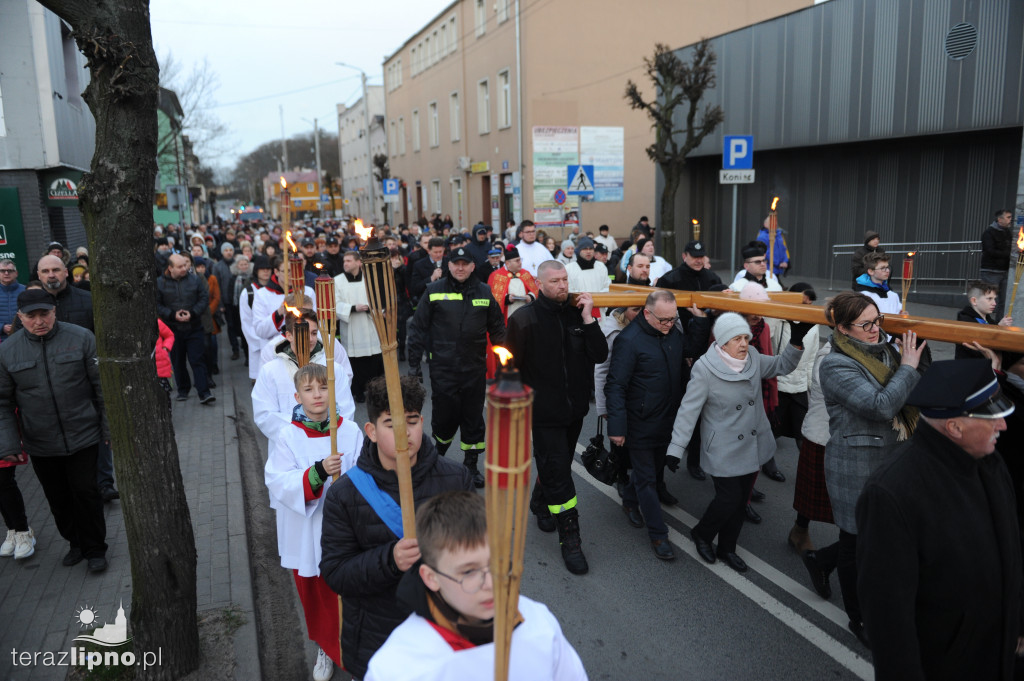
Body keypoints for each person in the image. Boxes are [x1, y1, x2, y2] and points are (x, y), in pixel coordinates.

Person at [856, 359, 1021, 681]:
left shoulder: (990, 461)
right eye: (992, 418)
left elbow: (1013, 546)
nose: (1003, 426)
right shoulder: (892, 493)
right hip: (948, 666)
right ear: (955, 427)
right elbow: (888, 618)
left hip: (1001, 653)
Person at [319, 375, 474, 680]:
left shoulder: (457, 480)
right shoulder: (345, 495)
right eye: (391, 424)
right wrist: (389, 560)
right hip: (379, 641)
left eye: (412, 420)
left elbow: (479, 555)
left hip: (444, 635)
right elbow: (336, 573)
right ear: (372, 431)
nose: (405, 431)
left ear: (422, 421)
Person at [800, 292, 928, 648]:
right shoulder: (835, 363)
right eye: (866, 325)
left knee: (870, 537)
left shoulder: (883, 350)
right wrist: (907, 366)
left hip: (892, 458)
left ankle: (820, 561)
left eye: (878, 321)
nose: (875, 330)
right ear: (842, 328)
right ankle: (858, 616)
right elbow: (881, 406)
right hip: (853, 464)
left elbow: (910, 391)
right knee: (857, 540)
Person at [365, 491, 588, 681]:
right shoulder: (396, 669)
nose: (491, 584)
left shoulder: (539, 624)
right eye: (469, 572)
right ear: (430, 577)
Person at [664, 312, 806, 572]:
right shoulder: (705, 368)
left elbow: (781, 366)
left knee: (741, 502)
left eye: (745, 338)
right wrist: (676, 448)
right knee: (729, 499)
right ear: (722, 341)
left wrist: (796, 340)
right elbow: (688, 410)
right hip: (724, 448)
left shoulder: (752, 357)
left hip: (751, 444)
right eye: (736, 339)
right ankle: (702, 534)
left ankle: (727, 548)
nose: (743, 344)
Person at [506, 261, 607, 574]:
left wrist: (589, 319)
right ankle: (570, 538)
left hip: (575, 410)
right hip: (542, 413)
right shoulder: (524, 320)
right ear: (539, 283)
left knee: (557, 464)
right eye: (555, 281)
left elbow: (600, 354)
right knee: (559, 473)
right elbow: (511, 369)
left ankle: (539, 501)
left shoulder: (579, 315)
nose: (562, 286)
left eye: (565, 280)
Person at [264, 363, 364, 681]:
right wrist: (318, 472)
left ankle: (357, 648)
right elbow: (277, 480)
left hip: (347, 530)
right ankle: (325, 646)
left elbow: (367, 475)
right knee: (317, 595)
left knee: (352, 593)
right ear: (297, 396)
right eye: (309, 390)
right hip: (308, 531)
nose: (317, 395)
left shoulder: (349, 431)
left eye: (323, 388)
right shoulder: (287, 436)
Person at [0, 290, 109, 572]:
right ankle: (75, 542)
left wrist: (108, 428)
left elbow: (102, 388)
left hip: (83, 434)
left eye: (44, 314)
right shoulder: (7, 351)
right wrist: (9, 444)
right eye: (31, 316)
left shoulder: (81, 338)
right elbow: (2, 403)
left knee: (86, 492)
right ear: (20, 318)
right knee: (58, 499)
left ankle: (96, 548)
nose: (39, 321)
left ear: (54, 311)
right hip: (41, 441)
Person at [605, 291, 711, 560]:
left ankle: (629, 502)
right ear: (647, 313)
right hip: (639, 422)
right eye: (664, 320)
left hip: (668, 418)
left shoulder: (671, 331)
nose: (669, 324)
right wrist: (617, 427)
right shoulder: (628, 341)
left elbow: (689, 350)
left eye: (673, 319)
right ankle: (658, 534)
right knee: (648, 479)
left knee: (651, 470)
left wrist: (698, 321)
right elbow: (615, 385)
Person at [407, 247, 506, 488]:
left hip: (474, 368)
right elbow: (417, 329)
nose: (460, 268)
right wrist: (413, 367)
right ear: (448, 265)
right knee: (444, 418)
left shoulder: (484, 291)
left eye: (465, 263)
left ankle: (470, 465)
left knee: (473, 418)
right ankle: (437, 460)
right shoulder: (433, 291)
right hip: (443, 368)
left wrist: (506, 361)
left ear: (473, 266)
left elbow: (497, 328)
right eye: (455, 263)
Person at [252, 306, 355, 439]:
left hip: (328, 441)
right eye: (304, 333)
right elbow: (264, 414)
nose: (311, 339)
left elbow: (345, 409)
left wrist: (324, 429)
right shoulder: (270, 371)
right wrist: (303, 429)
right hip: (289, 447)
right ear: (289, 335)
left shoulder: (333, 368)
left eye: (313, 333)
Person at [788, 336, 834, 555]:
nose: (873, 329)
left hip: (848, 437)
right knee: (813, 494)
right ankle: (800, 530)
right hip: (823, 435)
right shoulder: (829, 357)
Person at [156, 253, 214, 404]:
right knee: (178, 360)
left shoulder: (195, 279)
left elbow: (203, 298)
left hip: (194, 326)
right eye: (180, 266)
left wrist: (193, 312)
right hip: (172, 330)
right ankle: (183, 389)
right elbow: (157, 305)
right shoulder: (160, 283)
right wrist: (172, 315)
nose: (184, 268)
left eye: (185, 265)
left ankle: (204, 392)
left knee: (197, 359)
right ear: (170, 268)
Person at [333, 250, 384, 403]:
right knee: (355, 362)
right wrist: (353, 308)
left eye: (349, 261)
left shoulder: (370, 279)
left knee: (373, 359)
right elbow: (335, 304)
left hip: (369, 325)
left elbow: (378, 299)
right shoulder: (337, 281)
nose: (345, 264)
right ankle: (357, 391)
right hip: (351, 327)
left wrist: (371, 308)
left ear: (358, 263)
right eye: (344, 261)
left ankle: (375, 390)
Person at [37, 254, 94, 332]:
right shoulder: (31, 304)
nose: (51, 275)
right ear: (39, 275)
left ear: (66, 272)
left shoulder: (89, 299)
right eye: (45, 271)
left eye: (56, 270)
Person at [239, 254, 273, 379]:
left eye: (268, 268)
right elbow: (246, 322)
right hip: (259, 344)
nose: (266, 271)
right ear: (256, 270)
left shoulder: (277, 290)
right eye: (262, 268)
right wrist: (260, 342)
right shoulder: (248, 293)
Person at [980, 209, 1014, 320]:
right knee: (989, 299)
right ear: (1000, 219)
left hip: (1004, 271)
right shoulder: (989, 233)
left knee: (1003, 301)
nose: (1010, 220)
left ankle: (999, 325)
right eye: (1008, 217)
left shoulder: (1007, 232)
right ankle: (983, 323)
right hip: (991, 271)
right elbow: (990, 251)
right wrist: (1008, 254)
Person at [212, 242, 241, 360]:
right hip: (227, 301)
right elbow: (216, 286)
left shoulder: (238, 264)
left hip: (238, 301)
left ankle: (244, 347)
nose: (228, 252)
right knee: (231, 326)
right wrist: (220, 304)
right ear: (222, 252)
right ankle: (235, 349)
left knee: (240, 325)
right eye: (226, 250)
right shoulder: (217, 266)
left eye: (230, 250)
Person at [410, 237, 447, 305]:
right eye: (435, 252)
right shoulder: (419, 265)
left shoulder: (449, 263)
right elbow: (415, 288)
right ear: (429, 251)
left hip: (447, 302)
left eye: (440, 252)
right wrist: (431, 278)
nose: (438, 255)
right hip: (427, 303)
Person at [0, 259, 25, 342]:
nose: (6, 273)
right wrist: (2, 327)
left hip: (23, 338)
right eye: (3, 271)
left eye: (10, 271)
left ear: (16, 273)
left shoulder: (25, 291)